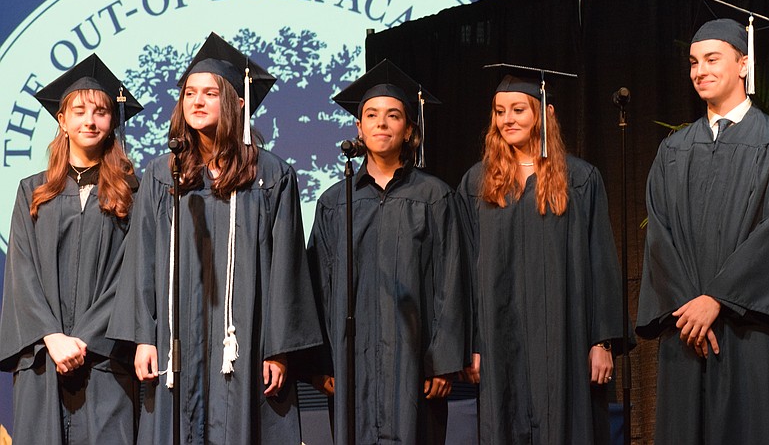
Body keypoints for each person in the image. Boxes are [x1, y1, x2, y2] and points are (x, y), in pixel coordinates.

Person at [108, 32, 323, 444]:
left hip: (246, 341)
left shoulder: (271, 176)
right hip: (175, 343)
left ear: (237, 102)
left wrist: (279, 349)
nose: (198, 101)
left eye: (210, 92)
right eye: (190, 93)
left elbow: (287, 270)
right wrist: (143, 338)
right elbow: (142, 261)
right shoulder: (163, 174)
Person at [636, 1, 769, 444]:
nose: (699, 71)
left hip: (749, 332)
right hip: (686, 332)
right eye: (694, 62)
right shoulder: (673, 151)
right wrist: (689, 307)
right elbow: (660, 236)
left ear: (743, 63)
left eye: (712, 59)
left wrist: (716, 299)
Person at [457, 64, 625, 444]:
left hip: (565, 339)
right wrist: (474, 344)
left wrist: (601, 342)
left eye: (518, 109)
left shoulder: (579, 179)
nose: (507, 120)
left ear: (543, 113)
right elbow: (465, 267)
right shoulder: (478, 183)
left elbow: (601, 263)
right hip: (501, 340)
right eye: (500, 111)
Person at [307, 59, 467, 444]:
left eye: (393, 115)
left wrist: (442, 363)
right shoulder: (335, 200)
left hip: (416, 365)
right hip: (350, 365)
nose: (381, 123)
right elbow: (318, 285)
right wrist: (321, 363)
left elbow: (451, 280)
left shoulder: (435, 196)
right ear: (358, 127)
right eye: (372, 115)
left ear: (409, 128)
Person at [0, 54, 143, 444]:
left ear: (113, 121)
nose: (89, 121)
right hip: (43, 361)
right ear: (62, 121)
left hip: (106, 360)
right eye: (78, 111)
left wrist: (84, 339)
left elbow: (131, 277)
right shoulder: (33, 192)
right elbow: (22, 275)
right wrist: (51, 336)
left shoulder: (134, 194)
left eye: (100, 111)